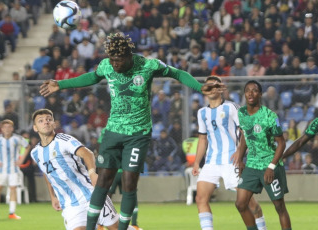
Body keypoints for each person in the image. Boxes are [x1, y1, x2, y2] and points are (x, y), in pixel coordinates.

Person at [39, 33, 224, 230]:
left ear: (129, 56)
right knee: (102, 182)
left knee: (129, 184)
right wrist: (61, 84)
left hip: (137, 134)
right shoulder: (106, 65)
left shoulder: (148, 66)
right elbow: (92, 77)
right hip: (113, 132)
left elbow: (177, 73)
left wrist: (200, 87)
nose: (115, 64)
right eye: (112, 60)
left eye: (118, 60)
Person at [30, 109, 127, 230]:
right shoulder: (35, 152)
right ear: (35, 128)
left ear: (54, 124)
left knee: (116, 228)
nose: (46, 122)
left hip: (90, 194)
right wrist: (53, 196)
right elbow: (47, 173)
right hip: (70, 204)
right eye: (41, 121)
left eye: (49, 119)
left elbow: (88, 153)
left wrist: (92, 173)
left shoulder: (64, 140)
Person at [192, 76, 267, 230]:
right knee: (200, 198)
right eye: (209, 86)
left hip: (231, 160)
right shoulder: (202, 112)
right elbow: (202, 139)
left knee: (247, 202)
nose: (212, 88)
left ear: (220, 89)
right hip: (211, 161)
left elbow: (245, 130)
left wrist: (240, 152)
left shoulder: (231, 107)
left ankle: (262, 227)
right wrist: (196, 162)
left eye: (215, 86)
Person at [235, 80, 291, 230]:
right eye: (247, 90)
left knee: (279, 207)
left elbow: (282, 143)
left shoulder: (270, 116)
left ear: (260, 94)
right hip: (252, 164)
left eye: (254, 90)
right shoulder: (241, 113)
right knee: (240, 204)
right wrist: (240, 159)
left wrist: (271, 167)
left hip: (270, 164)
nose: (250, 93)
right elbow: (245, 137)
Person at [0, 119, 31, 219]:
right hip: (1, 169)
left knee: (13, 189)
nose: (7, 129)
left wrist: (21, 159)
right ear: (1, 129)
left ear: (12, 128)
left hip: (13, 169)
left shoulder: (17, 138)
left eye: (9, 127)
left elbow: (28, 146)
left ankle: (12, 213)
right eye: (5, 127)